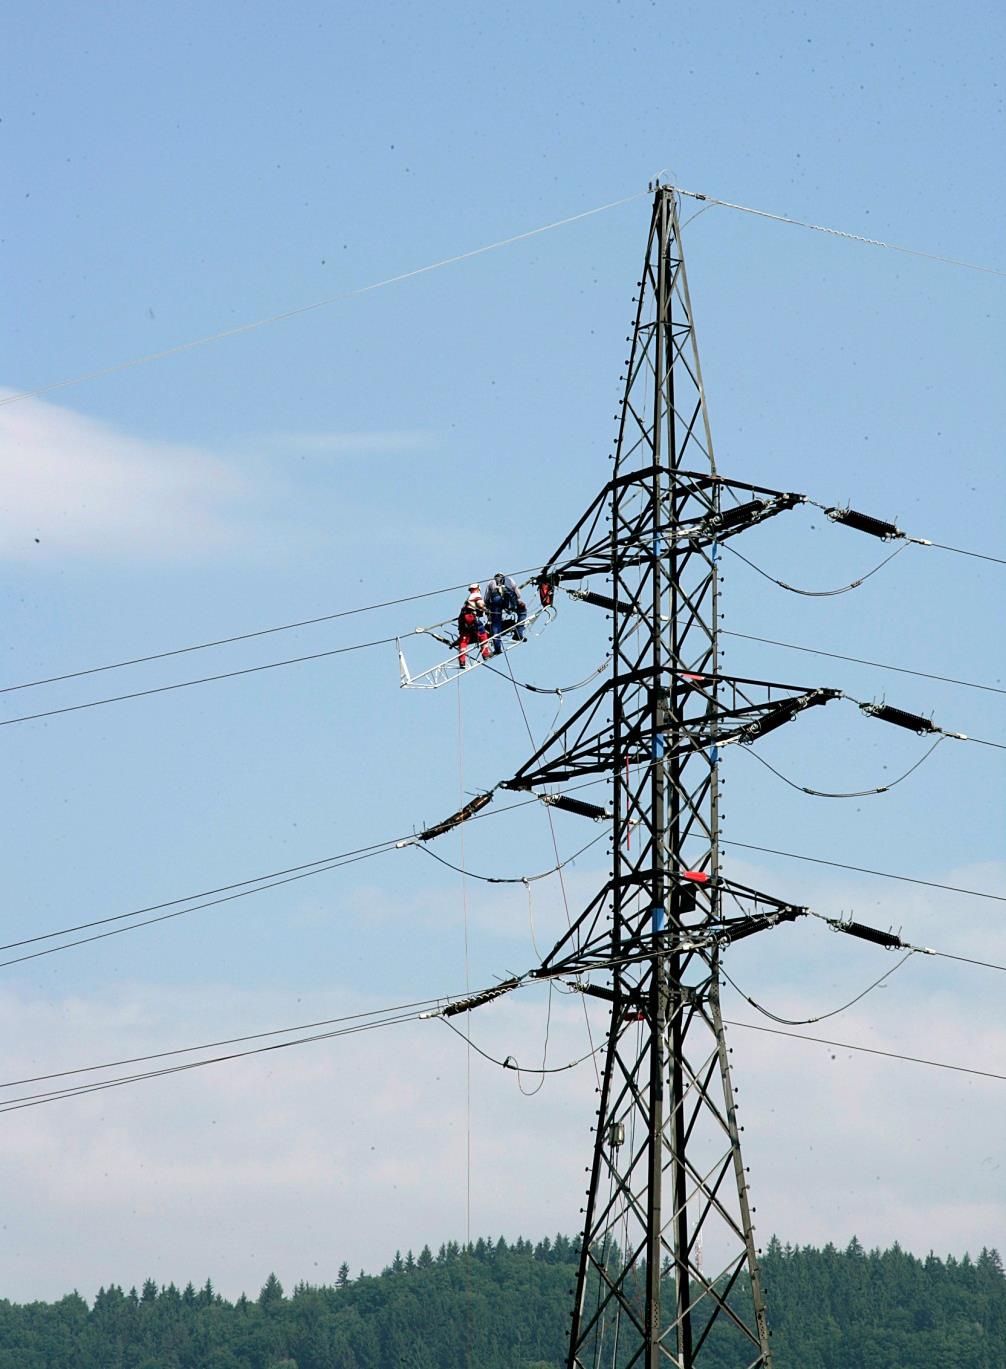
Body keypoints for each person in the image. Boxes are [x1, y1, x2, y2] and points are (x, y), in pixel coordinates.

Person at [482, 572, 527, 654]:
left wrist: (488, 608)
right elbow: (518, 595)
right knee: (522, 611)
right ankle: (519, 633)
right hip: (508, 600)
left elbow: (486, 598)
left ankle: (497, 648)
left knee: (496, 623)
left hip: (496, 601)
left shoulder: (491, 582)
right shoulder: (510, 580)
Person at [457, 586, 490, 668]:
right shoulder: (476, 595)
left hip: (462, 620)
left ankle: (462, 661)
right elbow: (480, 604)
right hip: (470, 618)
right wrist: (485, 609)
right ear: (478, 589)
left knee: (464, 639)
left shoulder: (468, 598)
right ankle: (485, 654)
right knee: (482, 633)